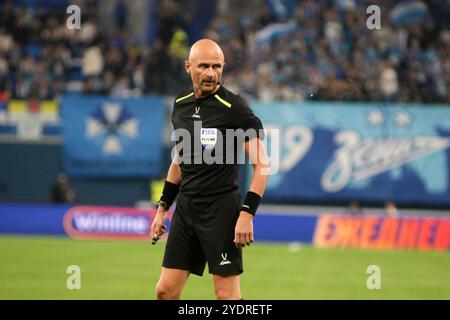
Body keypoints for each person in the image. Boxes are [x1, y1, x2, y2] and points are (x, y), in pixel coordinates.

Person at [150, 39, 269, 300]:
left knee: (226, 296)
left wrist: (247, 214)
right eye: (203, 66)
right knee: (164, 292)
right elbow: (180, 159)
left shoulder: (236, 109)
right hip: (186, 210)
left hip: (221, 211)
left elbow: (262, 166)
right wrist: (162, 208)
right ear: (188, 66)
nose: (211, 73)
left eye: (217, 66)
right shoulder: (180, 104)